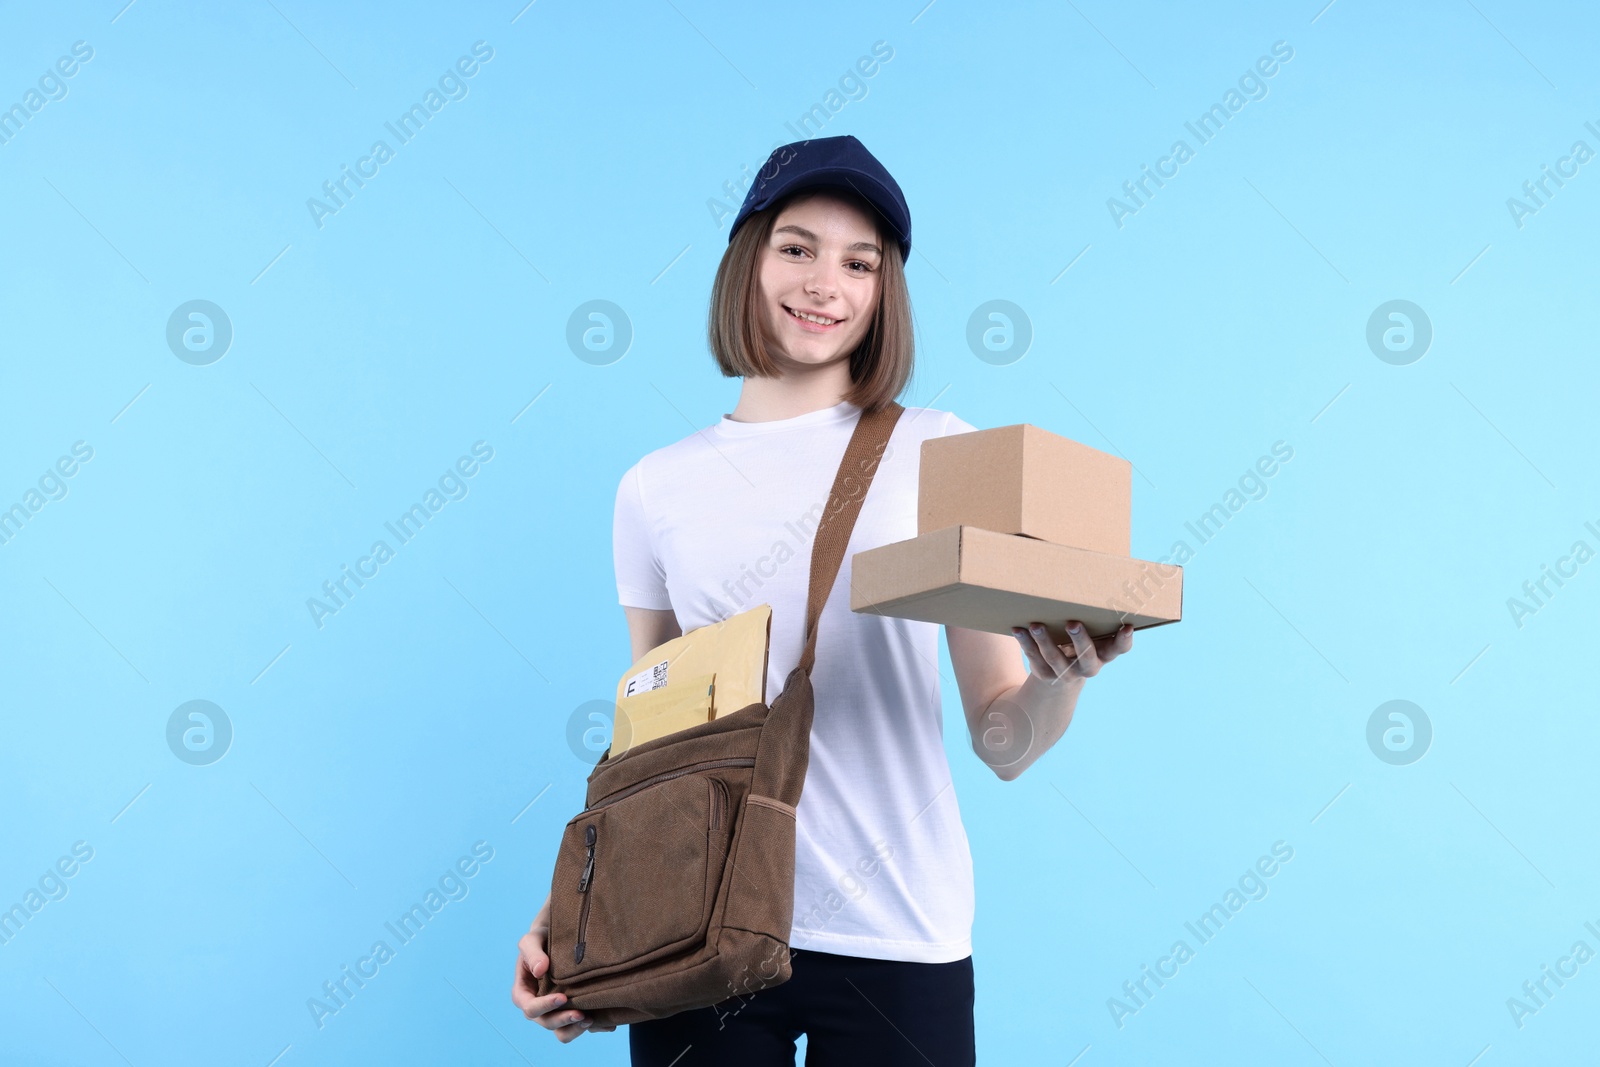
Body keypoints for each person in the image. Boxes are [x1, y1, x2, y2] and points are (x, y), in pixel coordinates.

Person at [512, 135, 1135, 1065]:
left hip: (899, 930)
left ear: (885, 293)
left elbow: (1001, 741)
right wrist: (581, 910)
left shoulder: (938, 454)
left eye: (859, 263)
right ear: (747, 260)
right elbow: (651, 737)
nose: (824, 285)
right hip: (702, 923)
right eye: (797, 248)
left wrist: (1059, 681)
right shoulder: (654, 488)